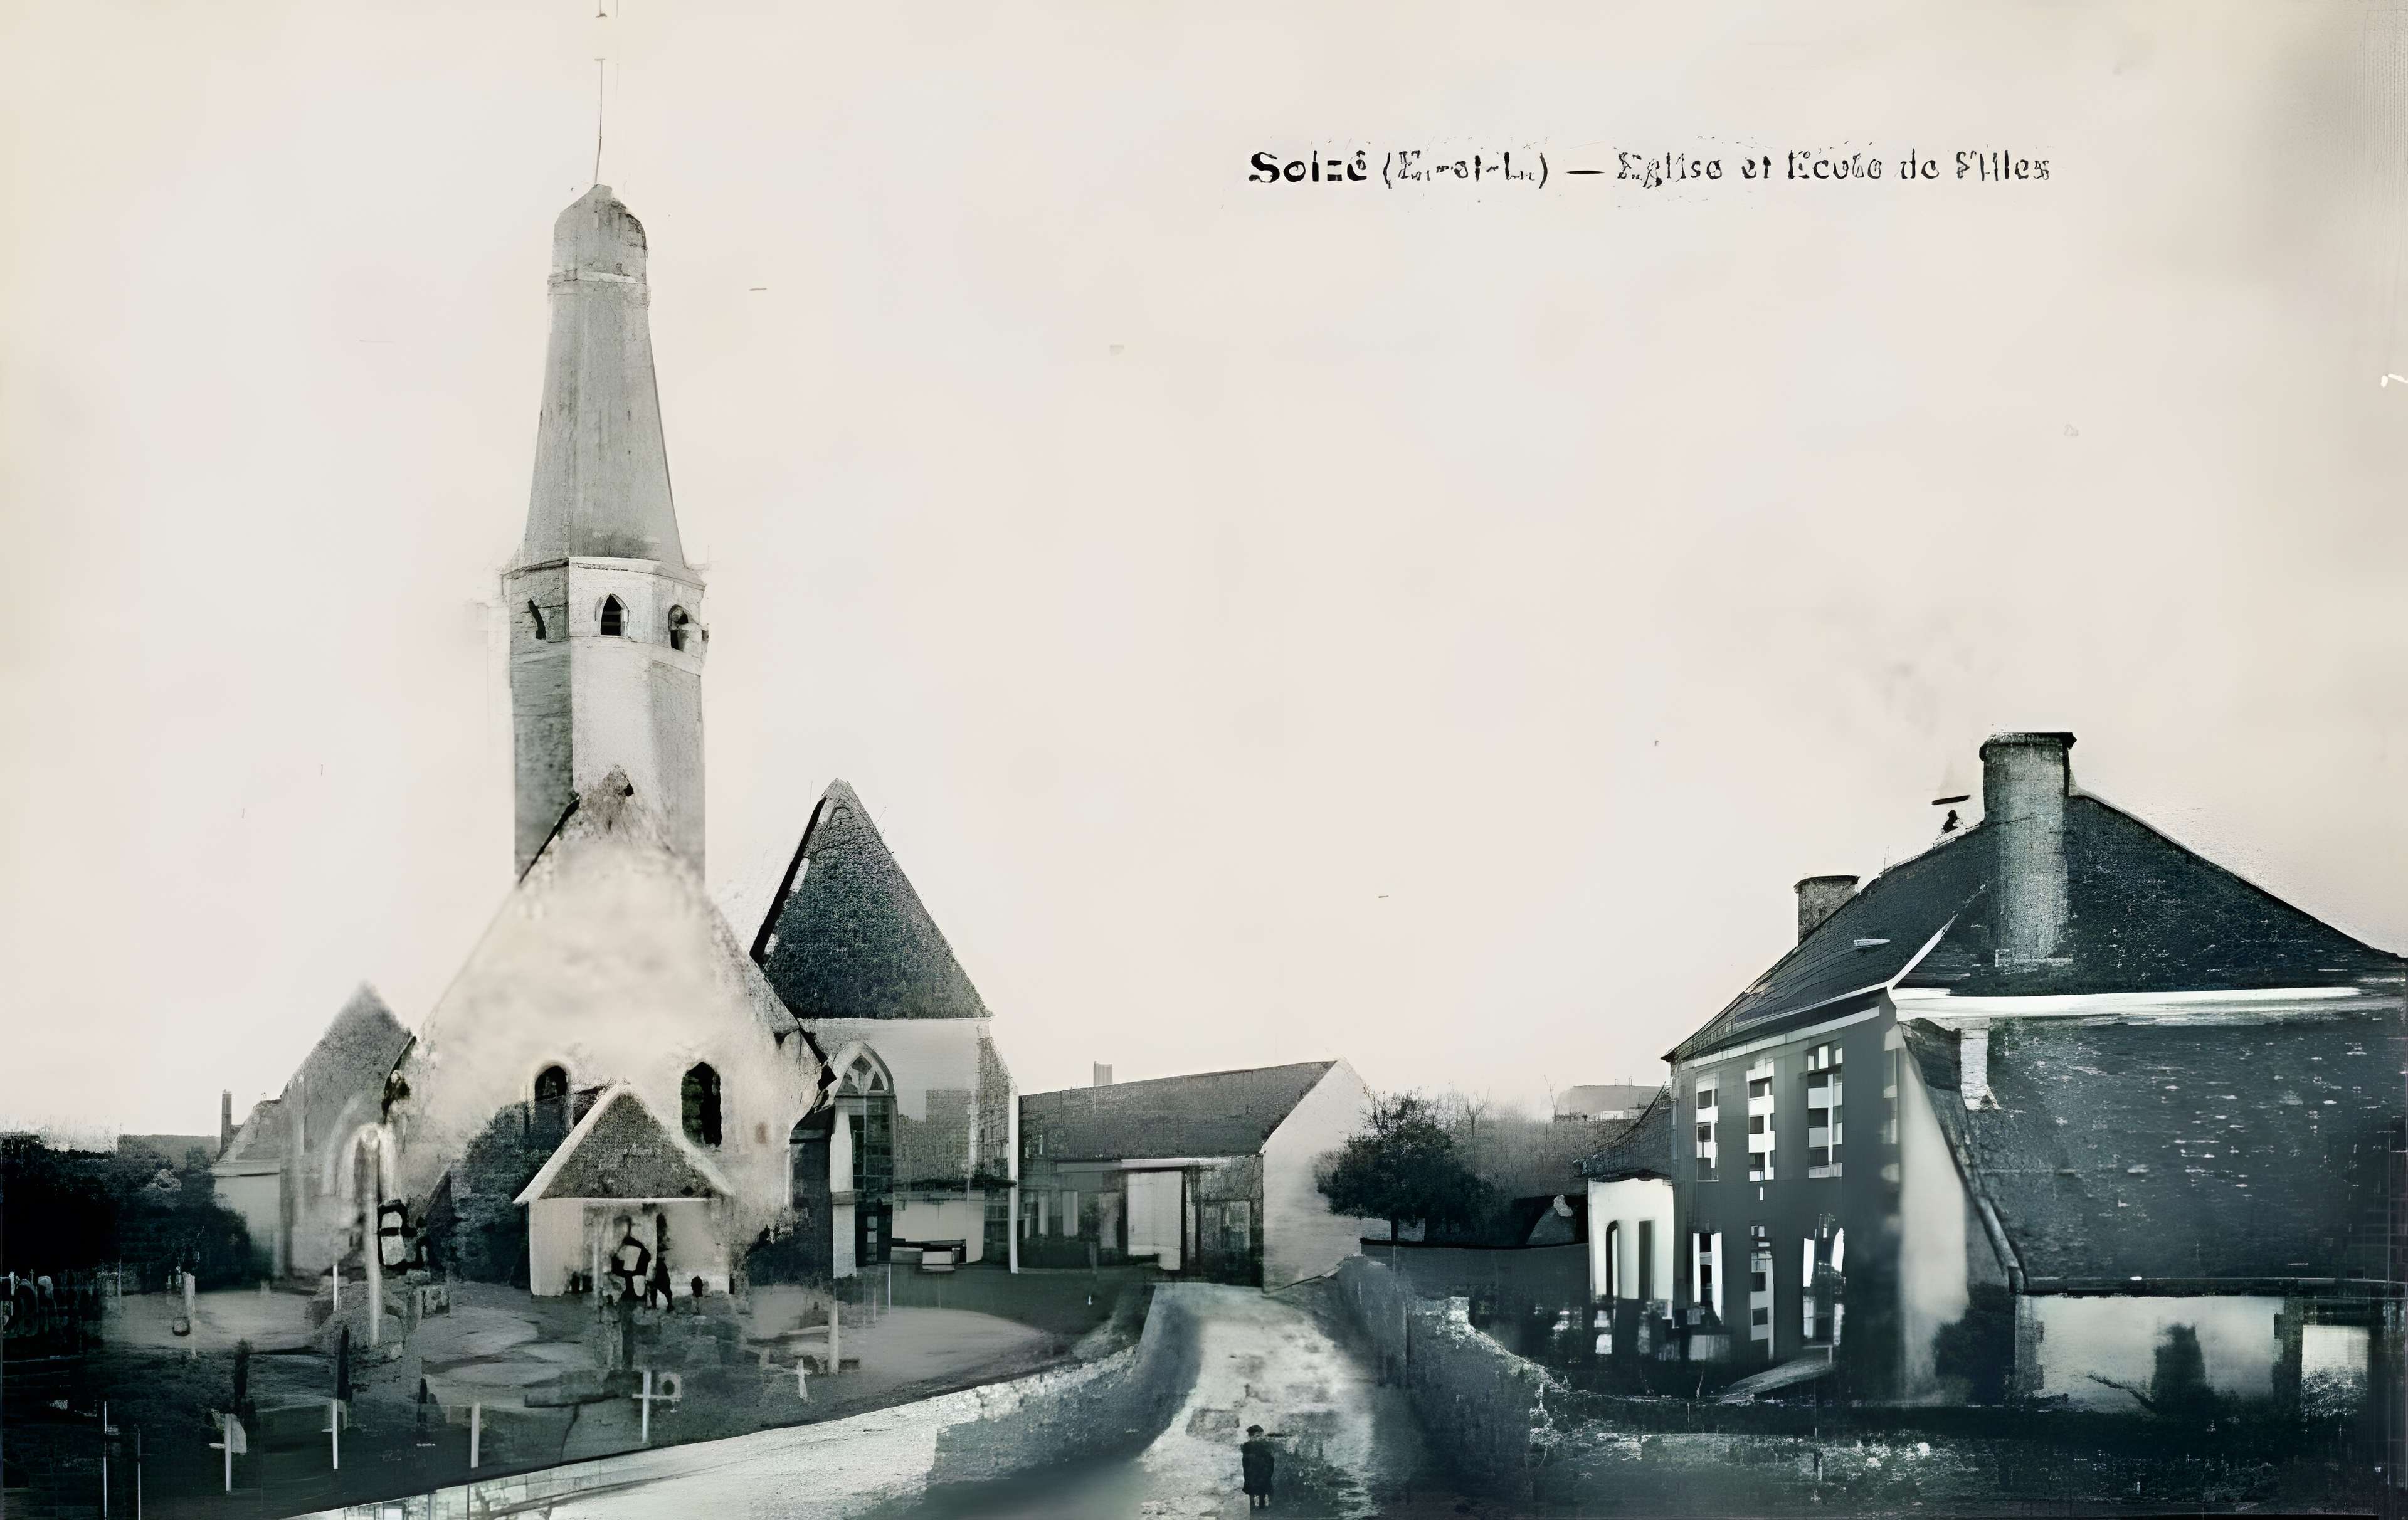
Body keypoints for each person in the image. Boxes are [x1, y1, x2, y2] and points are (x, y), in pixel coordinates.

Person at [1240, 1423, 1276, 1509]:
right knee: (1252, 1488)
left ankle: (1263, 1505)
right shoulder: (1246, 1446)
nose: (1260, 1438)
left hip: (1263, 1470)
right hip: (1252, 1471)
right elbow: (1245, 1460)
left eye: (1261, 1436)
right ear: (1251, 1437)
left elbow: (1270, 1458)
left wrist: (1268, 1469)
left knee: (1264, 1487)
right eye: (1257, 1436)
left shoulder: (1265, 1446)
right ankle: (1253, 1505)